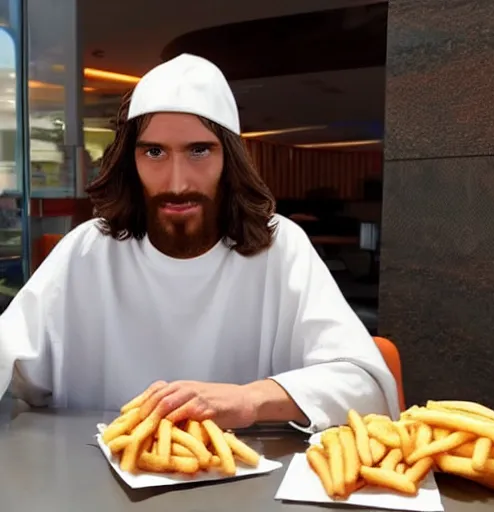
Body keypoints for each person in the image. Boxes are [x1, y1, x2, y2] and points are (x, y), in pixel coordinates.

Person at [0, 54, 399, 432]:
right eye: (154, 152)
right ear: (130, 160)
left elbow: (366, 386)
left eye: (199, 151)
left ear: (229, 159)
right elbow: (11, 360)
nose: (177, 183)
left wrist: (249, 400)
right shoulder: (88, 250)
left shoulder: (280, 248)